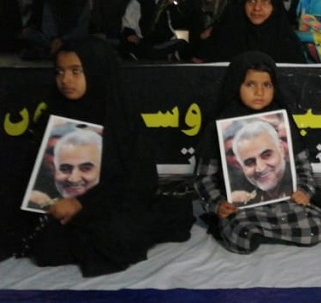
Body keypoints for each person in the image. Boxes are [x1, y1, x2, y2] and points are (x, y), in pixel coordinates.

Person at [22, 37, 193, 277]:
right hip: (62, 207)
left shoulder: (120, 116)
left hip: (111, 205)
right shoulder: (54, 114)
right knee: (44, 243)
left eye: (75, 71)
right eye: (60, 72)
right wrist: (51, 202)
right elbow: (39, 173)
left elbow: (138, 180)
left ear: (96, 70)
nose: (65, 80)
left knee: (116, 237)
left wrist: (82, 204)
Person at [195, 51, 321, 253]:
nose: (259, 92)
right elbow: (204, 177)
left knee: (317, 228)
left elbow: (303, 167)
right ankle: (263, 230)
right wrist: (218, 204)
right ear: (236, 85)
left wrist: (304, 191)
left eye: (266, 85)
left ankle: (262, 232)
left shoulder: (282, 122)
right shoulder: (220, 125)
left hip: (286, 201)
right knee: (239, 234)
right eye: (250, 85)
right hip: (242, 208)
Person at [204, 0, 306, 64]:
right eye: (252, 1)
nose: (257, 7)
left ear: (275, 6)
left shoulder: (287, 42)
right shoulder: (228, 36)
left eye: (265, 2)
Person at [119, 0, 189, 60]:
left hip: (163, 42)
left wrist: (172, 4)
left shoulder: (163, 1)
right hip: (142, 42)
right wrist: (130, 35)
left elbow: (177, 22)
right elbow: (127, 25)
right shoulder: (134, 4)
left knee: (182, 44)